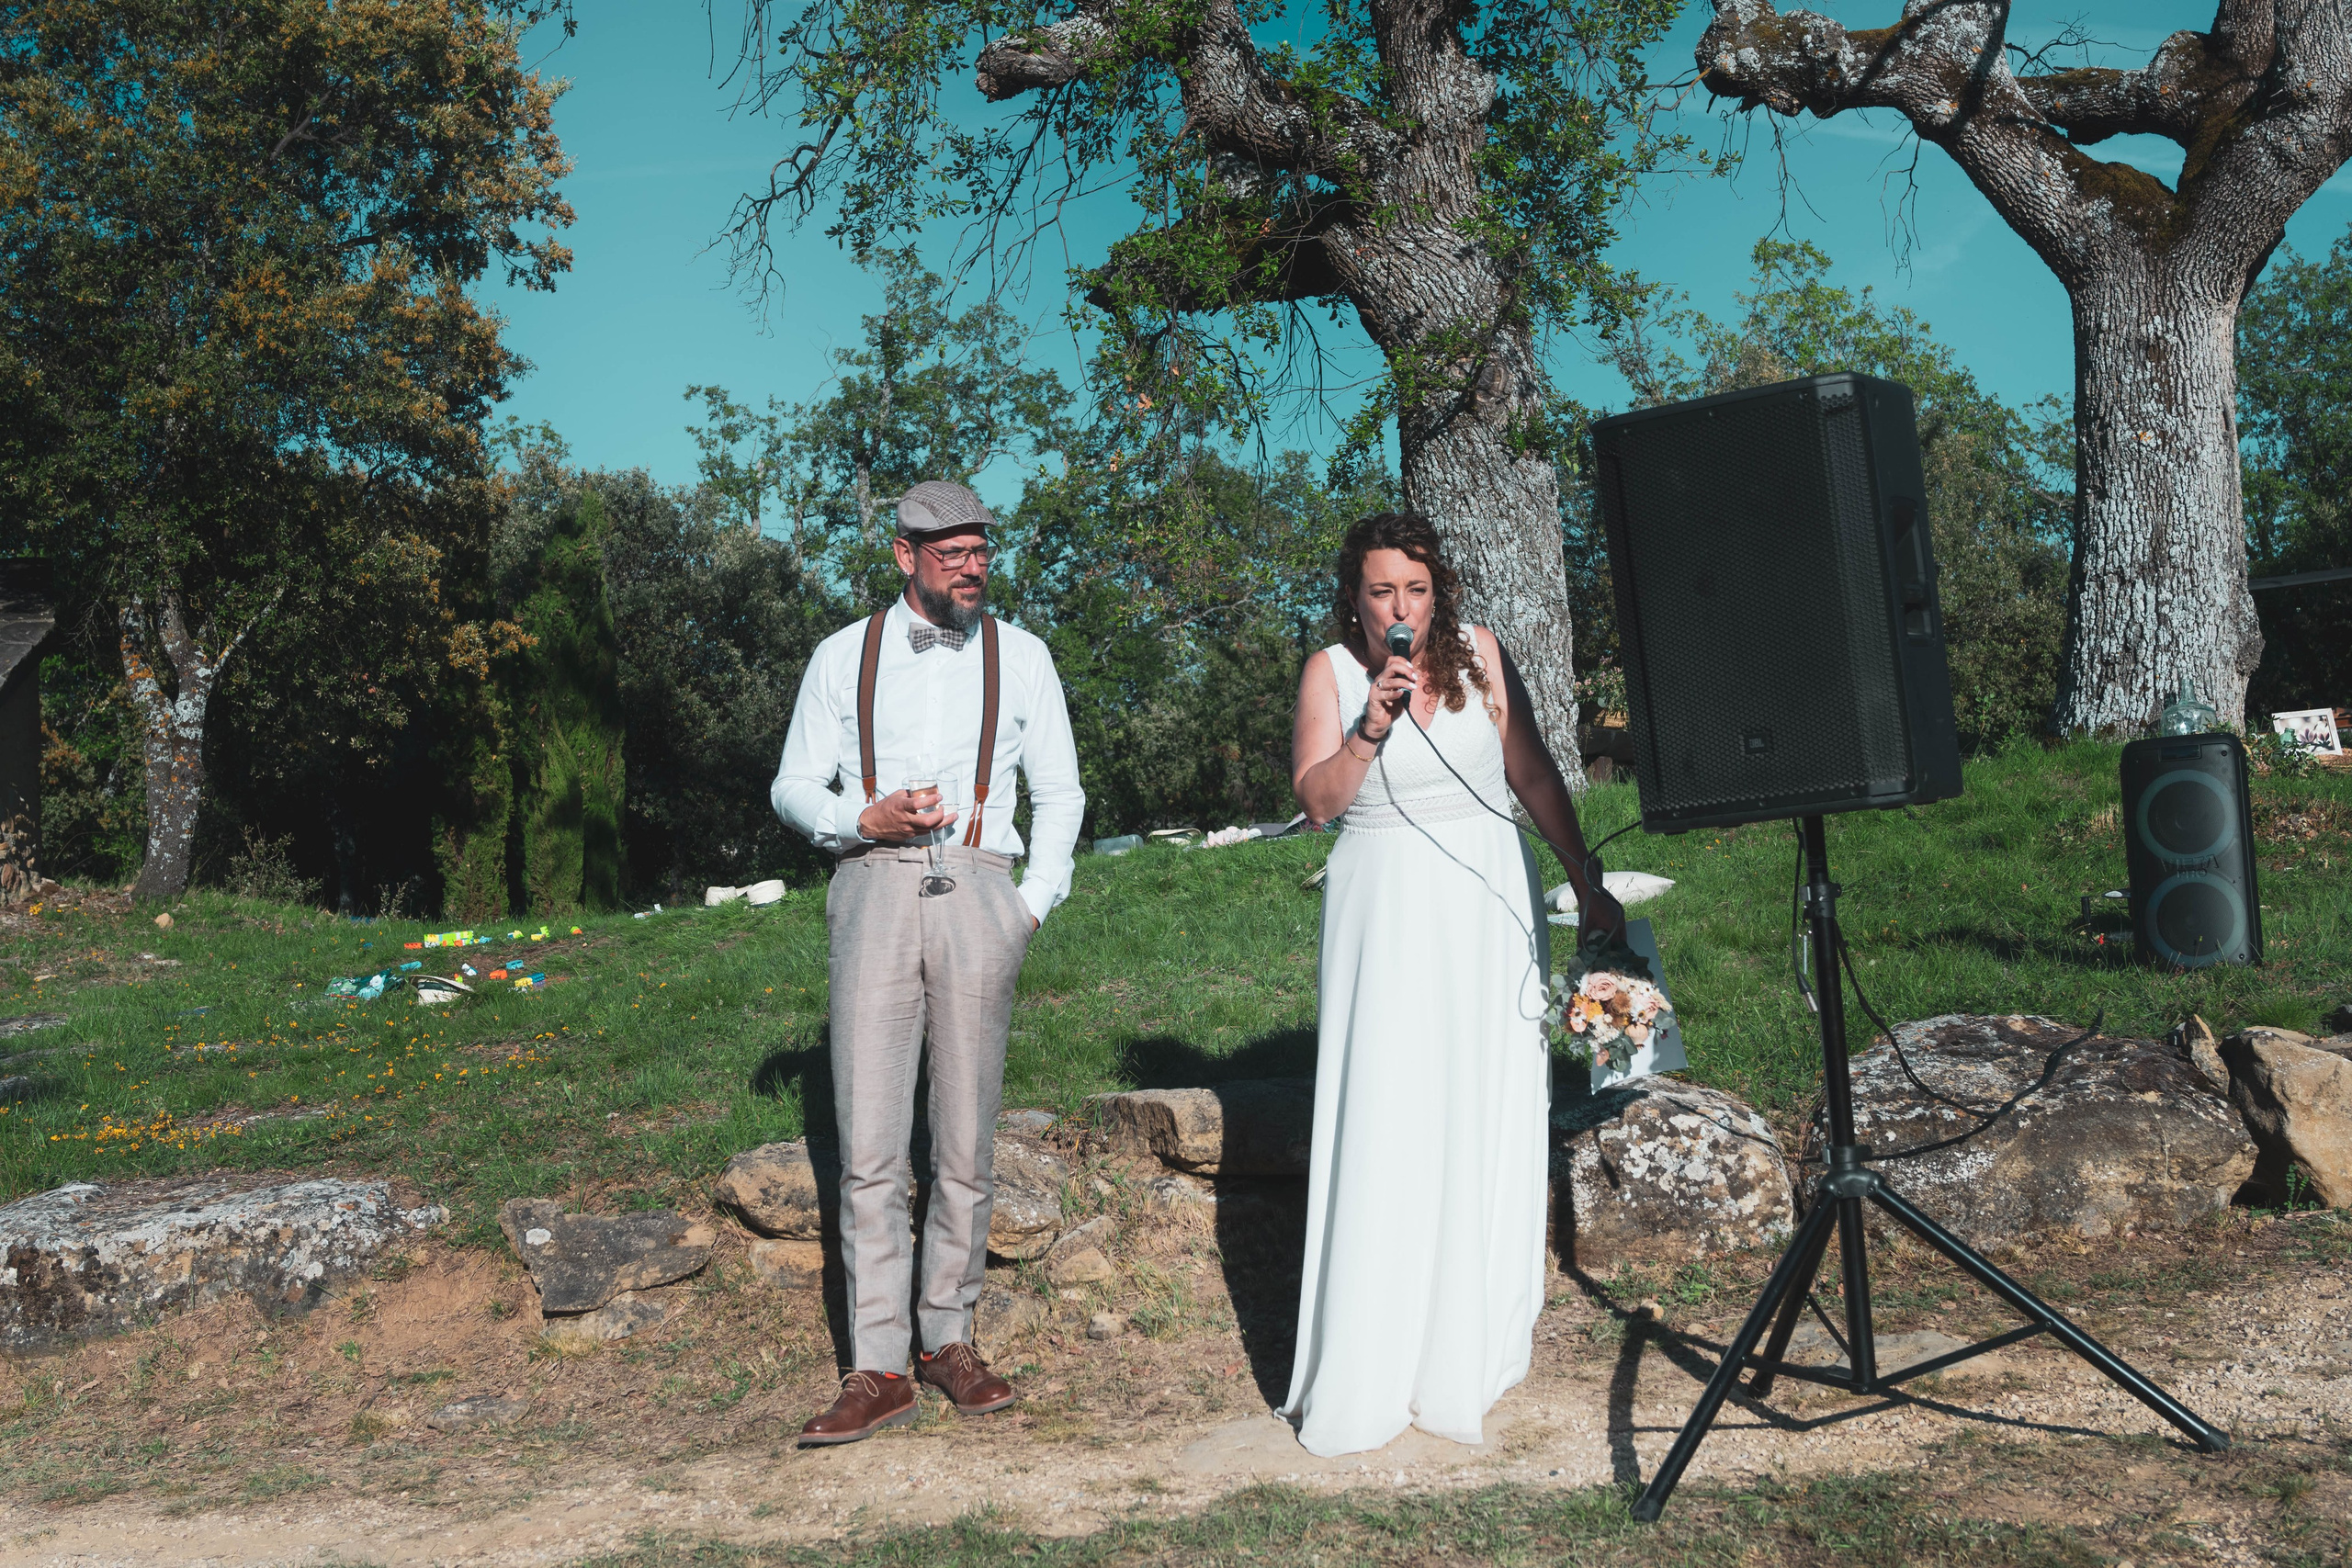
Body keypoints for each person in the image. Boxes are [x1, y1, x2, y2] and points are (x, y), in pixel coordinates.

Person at [1282, 511, 1623, 1459]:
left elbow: (1531, 771)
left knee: (1481, 1104)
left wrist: (1583, 878)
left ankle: (1468, 1342)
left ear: (1441, 593)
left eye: (1417, 589)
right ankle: (1378, 1350)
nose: (1402, 607)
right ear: (1354, 596)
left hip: (1486, 903)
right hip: (1384, 907)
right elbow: (1316, 805)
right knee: (1392, 1112)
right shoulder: (1334, 673)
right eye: (1383, 590)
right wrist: (1369, 726)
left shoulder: (1480, 652)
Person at [771, 479, 1084, 1446]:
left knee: (963, 1133)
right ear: (905, 557)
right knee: (868, 1139)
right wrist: (851, 819)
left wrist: (1028, 904)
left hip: (983, 888)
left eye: (981, 550)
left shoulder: (1023, 657)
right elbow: (790, 783)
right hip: (871, 886)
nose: (974, 568)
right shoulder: (841, 656)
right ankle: (875, 1366)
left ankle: (948, 1339)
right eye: (952, 555)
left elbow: (1062, 792)